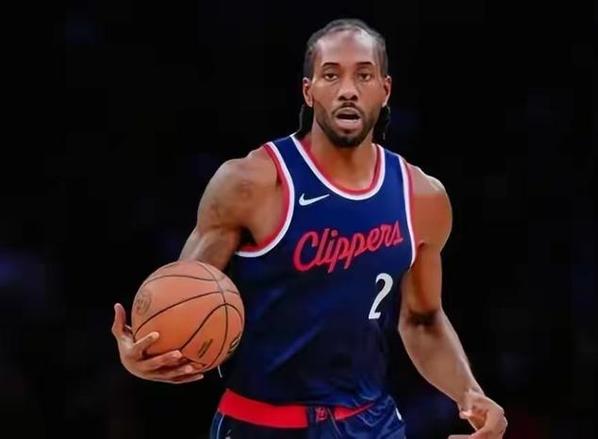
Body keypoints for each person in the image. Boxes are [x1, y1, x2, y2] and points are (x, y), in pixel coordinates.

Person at [111, 18, 508, 438]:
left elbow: (423, 321)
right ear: (309, 90)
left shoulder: (422, 198)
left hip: (370, 423)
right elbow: (181, 297)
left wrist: (469, 392)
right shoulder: (250, 183)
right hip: (257, 423)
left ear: (385, 89)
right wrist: (143, 353)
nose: (348, 89)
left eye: (364, 75)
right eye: (331, 75)